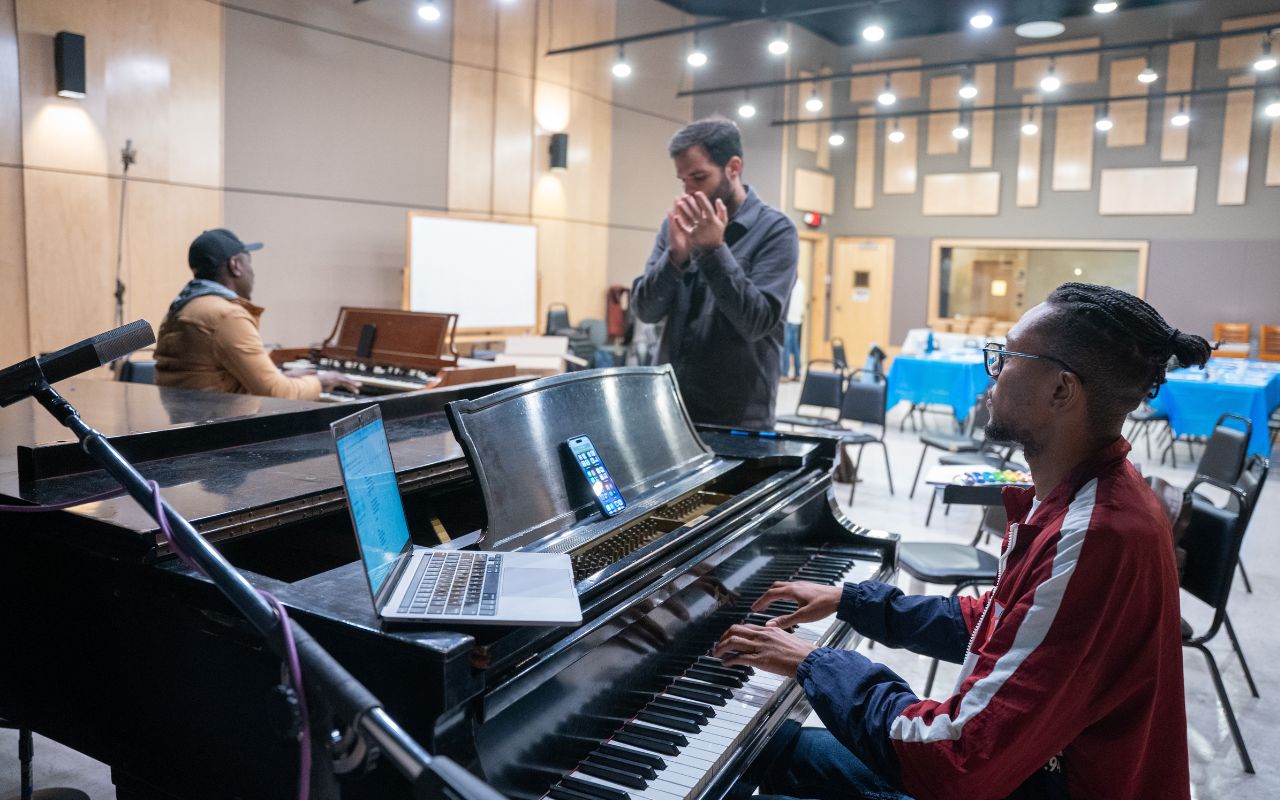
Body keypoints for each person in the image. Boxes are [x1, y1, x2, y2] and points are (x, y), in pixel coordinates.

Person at [714, 283, 1208, 800]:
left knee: (751, 782)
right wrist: (852, 600)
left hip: (1043, 787)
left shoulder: (1094, 534)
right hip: (1030, 773)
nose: (990, 372)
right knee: (773, 754)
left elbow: (953, 757)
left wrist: (812, 662)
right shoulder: (1091, 496)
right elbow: (1001, 623)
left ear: (1062, 390)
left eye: (1007, 356)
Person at [631, 117, 799, 429]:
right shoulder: (675, 225)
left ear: (733, 168)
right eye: (683, 180)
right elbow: (646, 310)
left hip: (737, 419)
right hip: (670, 411)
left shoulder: (776, 231)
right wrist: (674, 258)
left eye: (699, 177)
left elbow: (756, 322)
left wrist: (713, 251)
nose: (689, 191)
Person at [155, 228, 359, 400]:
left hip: (189, 428)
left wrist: (281, 375)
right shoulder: (226, 316)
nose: (252, 272)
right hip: (222, 435)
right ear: (235, 266)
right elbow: (277, 393)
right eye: (249, 262)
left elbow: (212, 376)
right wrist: (321, 381)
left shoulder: (184, 307)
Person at [781, 277, 805, 381]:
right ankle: (798, 373)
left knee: (785, 348)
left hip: (788, 319)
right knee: (796, 348)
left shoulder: (789, 282)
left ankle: (784, 374)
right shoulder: (801, 284)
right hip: (797, 319)